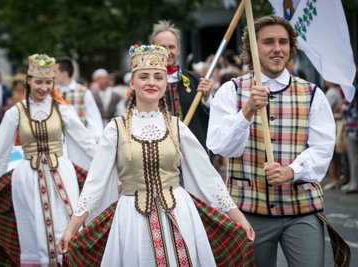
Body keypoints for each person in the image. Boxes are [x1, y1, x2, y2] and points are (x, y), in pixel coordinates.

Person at [57, 45, 255, 266]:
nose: (151, 82)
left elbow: (208, 177)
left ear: (164, 84)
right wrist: (71, 228)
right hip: (132, 220)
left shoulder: (176, 126)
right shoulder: (116, 128)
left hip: (180, 212)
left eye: (158, 77)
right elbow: (95, 182)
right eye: (144, 76)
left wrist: (239, 219)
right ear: (132, 83)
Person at [207, 16, 335, 267]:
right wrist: (247, 112)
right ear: (252, 48)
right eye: (268, 42)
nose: (277, 48)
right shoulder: (231, 90)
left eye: (283, 42)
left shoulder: (312, 94)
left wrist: (290, 171)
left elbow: (322, 149)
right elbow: (220, 146)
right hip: (248, 210)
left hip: (302, 209)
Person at [0, 54, 97, 266]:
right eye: (38, 82)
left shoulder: (62, 109)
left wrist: (113, 169)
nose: (43, 87)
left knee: (67, 225)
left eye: (48, 82)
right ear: (29, 81)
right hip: (28, 179)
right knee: (35, 229)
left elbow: (87, 143)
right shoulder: (16, 112)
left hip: (61, 172)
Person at [150, 20, 214, 151]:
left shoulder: (195, 80)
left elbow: (212, 116)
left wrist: (207, 98)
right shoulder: (145, 83)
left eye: (172, 47)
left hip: (193, 152)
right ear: (153, 50)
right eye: (162, 47)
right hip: (158, 153)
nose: (168, 52)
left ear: (178, 49)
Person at [54, 57, 104, 140]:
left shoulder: (83, 91)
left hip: (80, 139)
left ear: (64, 73)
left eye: (55, 72)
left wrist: (95, 138)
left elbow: (93, 116)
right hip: (59, 140)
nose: (53, 75)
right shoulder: (53, 91)